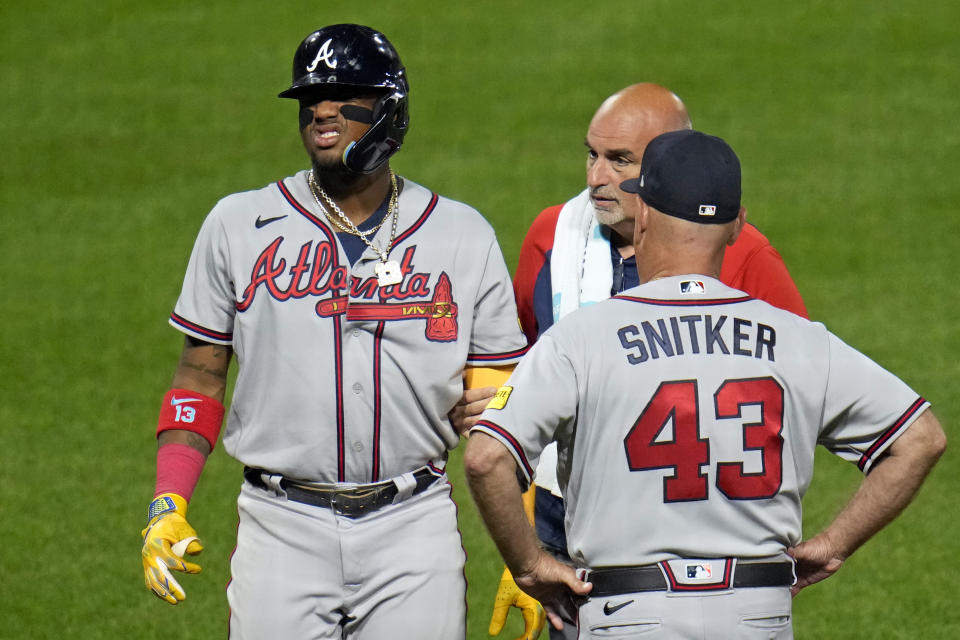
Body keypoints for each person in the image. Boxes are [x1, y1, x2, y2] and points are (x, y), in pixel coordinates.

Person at [464, 129, 946, 639]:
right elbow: (921, 438)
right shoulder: (801, 341)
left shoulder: (579, 340)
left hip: (630, 614)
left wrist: (531, 565)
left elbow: (485, 457)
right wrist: (833, 545)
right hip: (758, 613)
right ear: (738, 226)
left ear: (644, 215)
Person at [138, 24, 527, 639]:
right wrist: (168, 502)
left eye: (344, 93)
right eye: (309, 97)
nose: (320, 108)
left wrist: (522, 547)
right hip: (280, 526)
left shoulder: (463, 235)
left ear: (389, 111)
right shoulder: (238, 225)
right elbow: (198, 378)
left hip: (413, 528)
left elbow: (502, 403)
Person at [482, 83, 808, 640]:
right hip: (568, 520)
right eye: (592, 154)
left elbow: (792, 394)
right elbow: (523, 377)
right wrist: (525, 547)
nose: (595, 179)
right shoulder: (551, 236)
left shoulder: (744, 254)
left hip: (695, 528)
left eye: (619, 161)